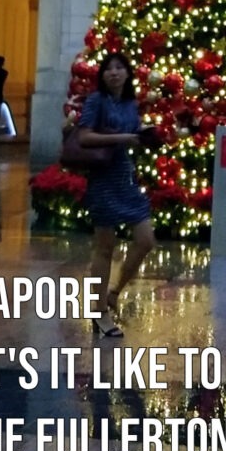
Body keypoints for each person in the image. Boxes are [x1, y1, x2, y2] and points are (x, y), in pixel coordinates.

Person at [76, 52, 155, 337]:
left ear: (127, 73)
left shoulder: (130, 103)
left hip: (126, 178)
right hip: (103, 177)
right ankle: (99, 313)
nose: (114, 73)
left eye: (119, 68)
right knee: (104, 247)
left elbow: (132, 131)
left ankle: (113, 291)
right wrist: (122, 138)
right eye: (109, 69)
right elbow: (84, 137)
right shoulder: (96, 101)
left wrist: (145, 133)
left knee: (146, 240)